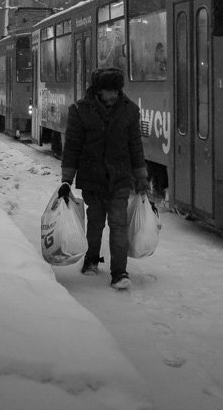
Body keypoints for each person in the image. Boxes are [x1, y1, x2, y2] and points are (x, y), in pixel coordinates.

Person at [60, 67, 149, 290]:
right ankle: (91, 259)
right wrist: (66, 180)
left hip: (120, 177)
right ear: (98, 91)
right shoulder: (80, 111)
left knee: (118, 224)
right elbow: (72, 147)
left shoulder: (130, 111)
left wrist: (141, 177)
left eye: (116, 91)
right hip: (92, 177)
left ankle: (119, 272)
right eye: (108, 91)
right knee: (96, 222)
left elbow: (135, 147)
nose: (113, 96)